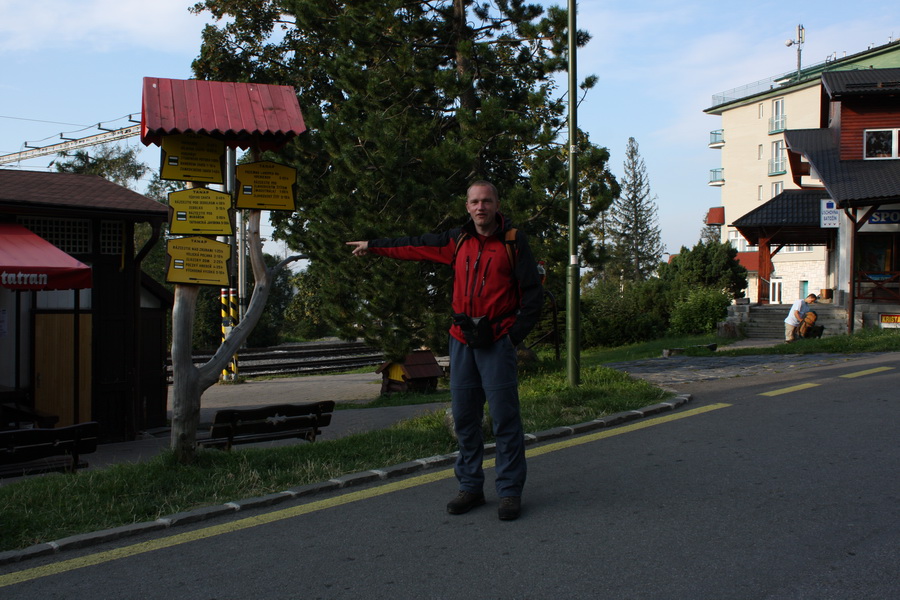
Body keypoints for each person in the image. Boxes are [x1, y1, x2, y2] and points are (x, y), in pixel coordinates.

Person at [346, 181, 542, 521]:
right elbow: (414, 245)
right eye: (475, 202)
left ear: (497, 205)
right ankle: (471, 487)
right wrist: (374, 246)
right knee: (466, 419)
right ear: (467, 207)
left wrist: (513, 337)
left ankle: (509, 492)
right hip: (462, 340)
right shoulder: (457, 240)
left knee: (504, 420)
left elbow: (533, 296)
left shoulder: (513, 241)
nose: (481, 207)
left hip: (497, 341)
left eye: (487, 201)